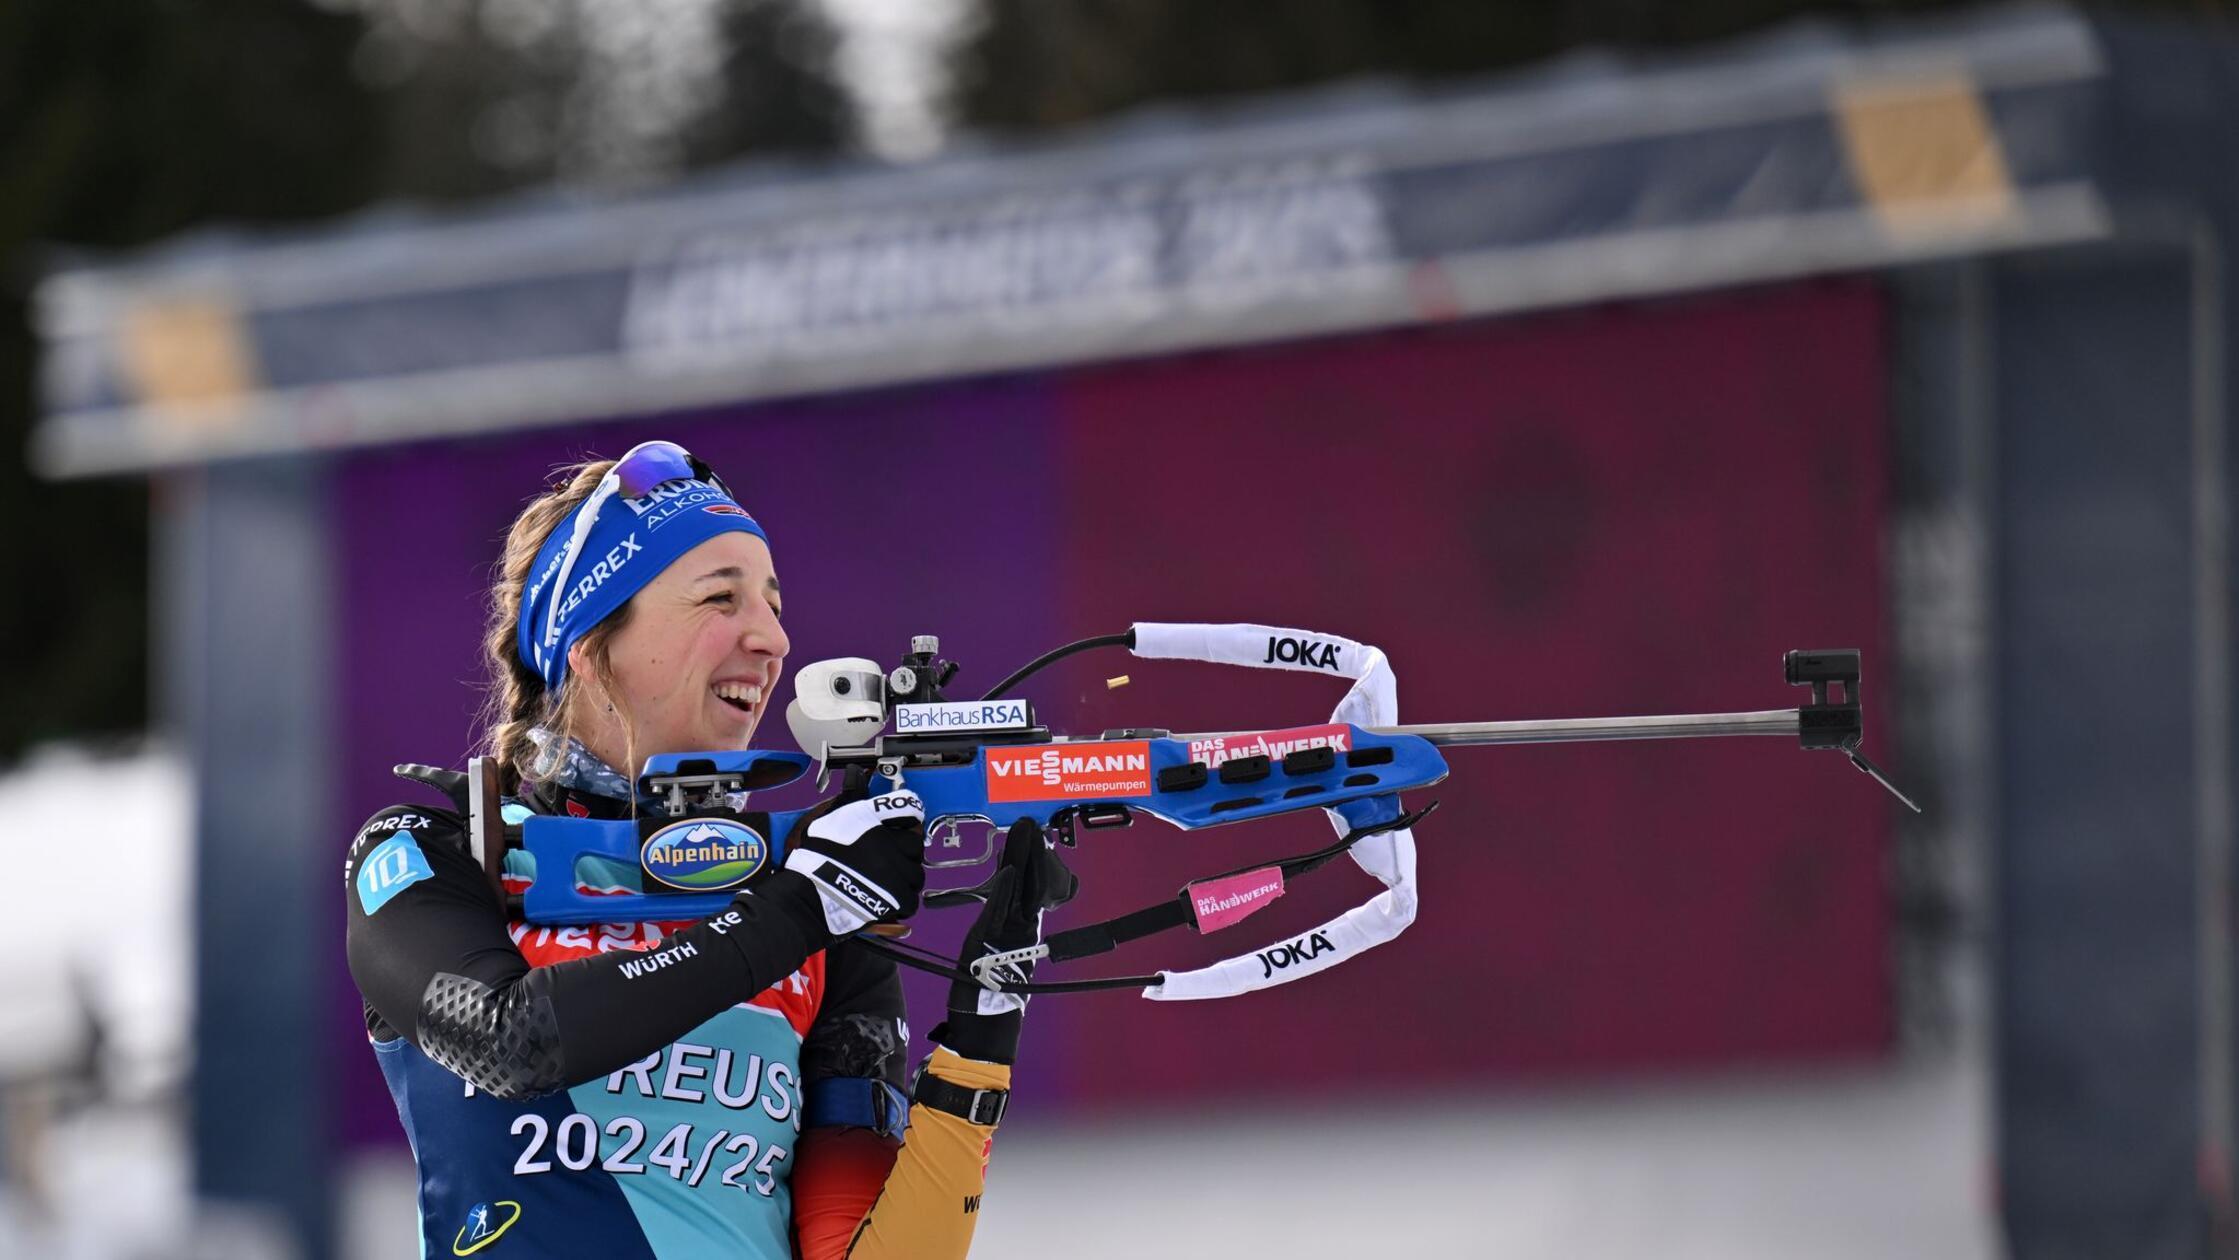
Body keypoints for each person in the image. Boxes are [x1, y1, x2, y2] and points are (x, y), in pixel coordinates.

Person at [343, 441, 1059, 1259]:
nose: (772, 640)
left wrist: (979, 1042)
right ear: (588, 641)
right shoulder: (433, 847)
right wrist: (798, 913)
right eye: (721, 599)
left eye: (773, 604)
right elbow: (507, 1037)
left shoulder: (810, 902)